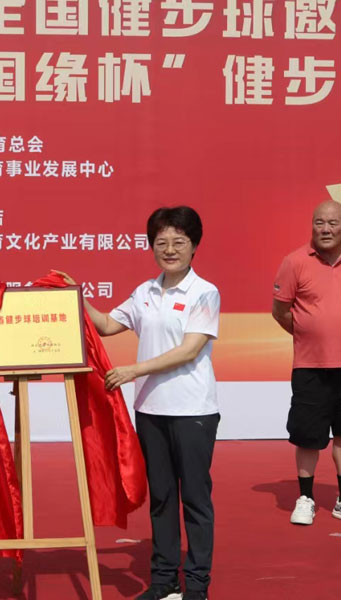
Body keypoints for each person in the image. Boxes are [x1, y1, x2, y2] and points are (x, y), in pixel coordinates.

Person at [58, 205, 220, 600]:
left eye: (179, 242)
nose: (170, 250)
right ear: (151, 246)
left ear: (194, 246)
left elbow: (189, 350)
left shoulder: (204, 292)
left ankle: (197, 584)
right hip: (150, 410)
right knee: (161, 498)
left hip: (192, 411)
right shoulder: (144, 292)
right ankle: (164, 581)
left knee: (194, 498)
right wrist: (75, 297)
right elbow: (107, 325)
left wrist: (133, 370)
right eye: (161, 242)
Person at [272, 200, 341, 527]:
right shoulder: (294, 261)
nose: (326, 229)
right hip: (309, 366)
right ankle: (305, 498)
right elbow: (280, 311)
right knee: (307, 435)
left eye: (333, 223)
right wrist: (309, 332)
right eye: (319, 222)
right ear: (312, 226)